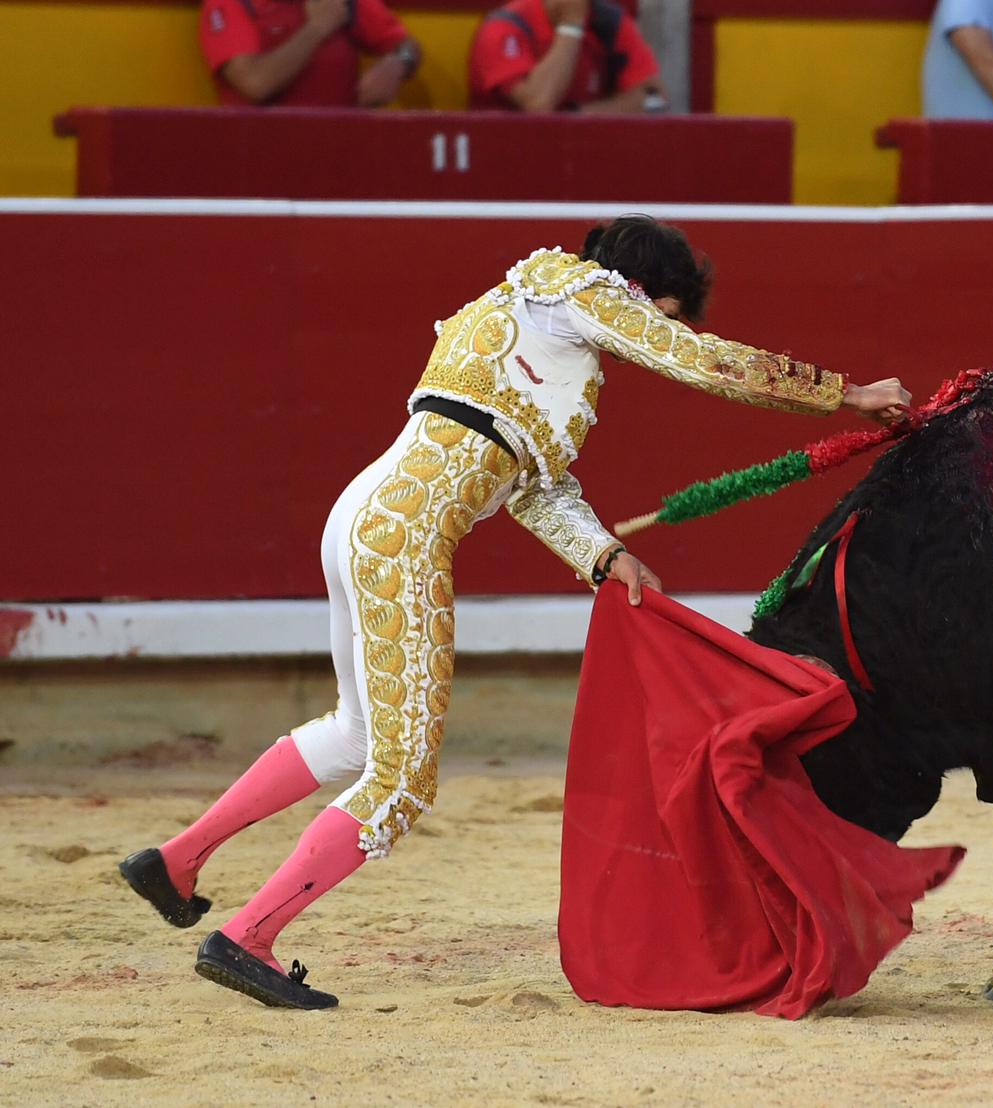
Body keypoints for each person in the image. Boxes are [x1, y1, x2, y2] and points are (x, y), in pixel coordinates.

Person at [118, 216, 912, 1010]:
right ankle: (249, 936)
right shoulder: (584, 290)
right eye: (660, 316)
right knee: (401, 782)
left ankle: (178, 862)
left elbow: (532, 485)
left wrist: (602, 553)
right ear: (644, 291)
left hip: (366, 516)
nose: (646, 339)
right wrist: (846, 392)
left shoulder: (523, 312)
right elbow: (702, 362)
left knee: (356, 736)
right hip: (407, 533)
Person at [198, 0, 422, 107]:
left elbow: (407, 45)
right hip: (261, 158)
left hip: (342, 152)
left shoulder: (345, 2)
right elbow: (256, 83)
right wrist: (316, 29)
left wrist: (399, 64)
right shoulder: (229, 4)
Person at [468, 0, 660, 113]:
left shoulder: (608, 21)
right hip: (508, 157)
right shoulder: (505, 27)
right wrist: (570, 26)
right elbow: (539, 104)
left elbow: (655, 97)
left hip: (584, 156)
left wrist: (581, 117)